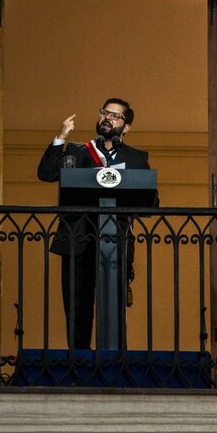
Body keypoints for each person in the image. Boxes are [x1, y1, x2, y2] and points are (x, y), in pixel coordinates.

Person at [37, 98, 152, 350]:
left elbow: (151, 203)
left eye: (115, 115)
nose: (107, 118)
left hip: (116, 241)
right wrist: (61, 137)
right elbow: (46, 174)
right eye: (104, 112)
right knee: (77, 305)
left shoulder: (136, 158)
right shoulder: (77, 151)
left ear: (126, 126)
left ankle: (115, 362)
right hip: (78, 238)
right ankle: (78, 362)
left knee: (114, 304)